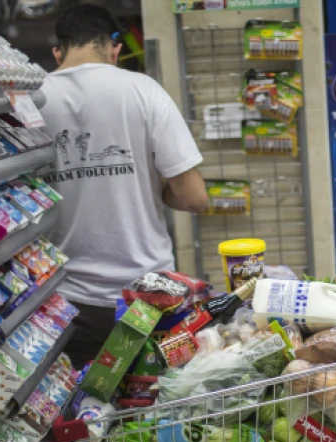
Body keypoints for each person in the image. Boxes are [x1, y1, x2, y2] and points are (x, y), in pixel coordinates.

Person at [37, 4, 209, 364]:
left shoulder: (31, 99)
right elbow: (195, 198)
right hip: (147, 296)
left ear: (58, 52)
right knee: (155, 405)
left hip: (66, 300)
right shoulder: (144, 90)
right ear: (115, 48)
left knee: (82, 411)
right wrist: (151, 187)